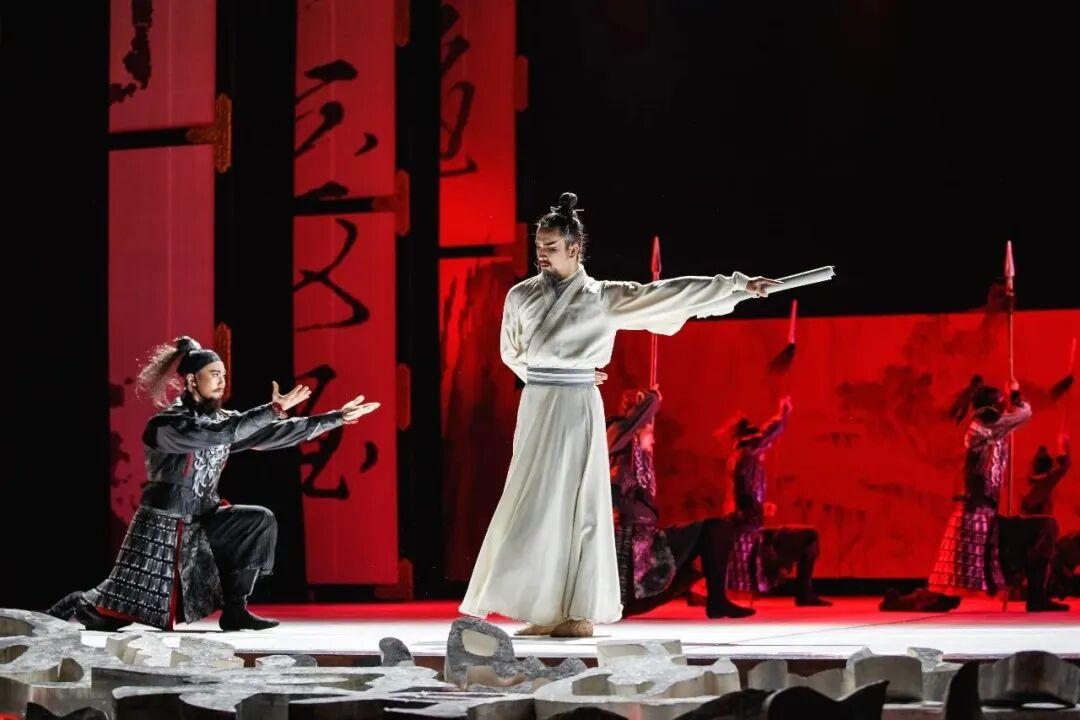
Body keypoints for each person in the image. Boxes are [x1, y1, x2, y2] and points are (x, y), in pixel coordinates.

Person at [458, 192, 779, 637]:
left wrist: (735, 286)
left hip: (577, 407)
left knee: (582, 505)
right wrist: (555, 370)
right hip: (537, 404)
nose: (542, 256)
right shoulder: (521, 296)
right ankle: (543, 608)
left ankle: (579, 611)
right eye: (539, 247)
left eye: (551, 247)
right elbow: (511, 352)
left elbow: (664, 294)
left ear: (574, 248)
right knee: (535, 503)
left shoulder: (601, 298)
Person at [48, 336, 380, 631]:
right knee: (110, 613)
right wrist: (273, 409)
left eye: (223, 374)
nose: (222, 380)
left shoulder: (222, 421)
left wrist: (336, 417)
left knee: (258, 520)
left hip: (204, 521)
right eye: (214, 374)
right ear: (192, 380)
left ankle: (236, 610)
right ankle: (77, 604)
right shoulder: (166, 425)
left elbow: (272, 433)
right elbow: (220, 434)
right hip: (165, 529)